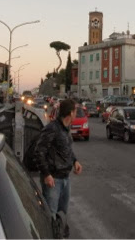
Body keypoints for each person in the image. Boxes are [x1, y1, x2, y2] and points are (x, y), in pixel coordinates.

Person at [35, 98, 83, 238]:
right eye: (75, 111)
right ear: (70, 113)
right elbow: (39, 151)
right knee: (51, 217)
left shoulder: (65, 129)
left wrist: (75, 161)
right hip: (53, 180)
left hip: (65, 178)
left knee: (62, 215)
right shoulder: (52, 128)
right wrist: (46, 174)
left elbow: (66, 149)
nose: (76, 114)